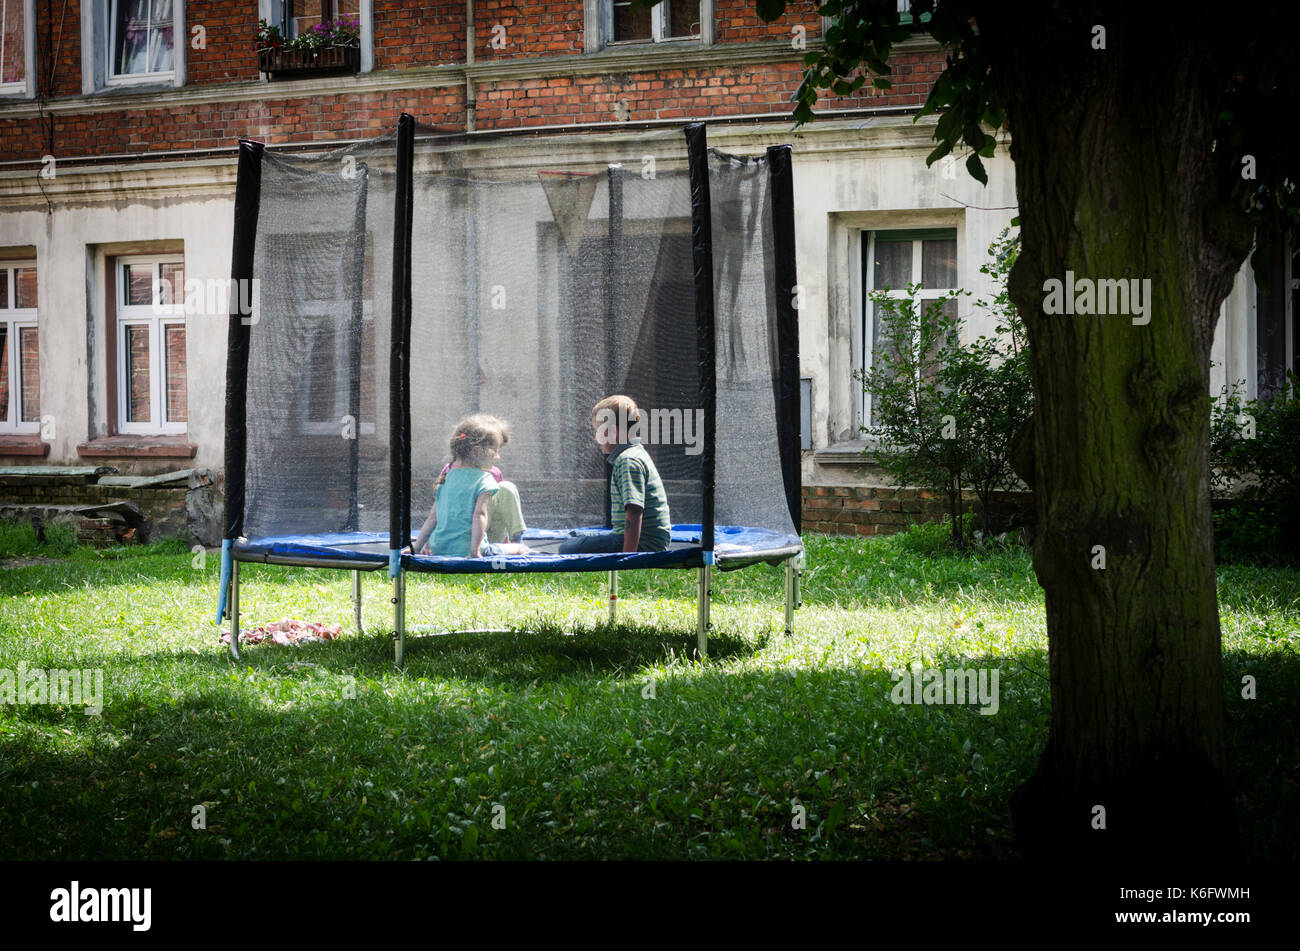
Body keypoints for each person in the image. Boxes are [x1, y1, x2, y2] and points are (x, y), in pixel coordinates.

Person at [559, 395, 672, 554]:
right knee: (573, 536)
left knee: (566, 548)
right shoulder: (634, 453)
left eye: (599, 431)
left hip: (644, 544)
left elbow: (634, 511)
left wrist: (628, 556)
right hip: (639, 539)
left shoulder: (628, 461)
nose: (596, 438)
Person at [409, 414, 529, 557]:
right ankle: (521, 546)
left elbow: (433, 518)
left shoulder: (446, 478)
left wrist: (416, 547)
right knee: (519, 549)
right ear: (477, 451)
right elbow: (479, 516)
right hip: (470, 548)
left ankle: (515, 539)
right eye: (495, 451)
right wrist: (475, 551)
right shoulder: (485, 479)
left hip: (440, 549)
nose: (497, 457)